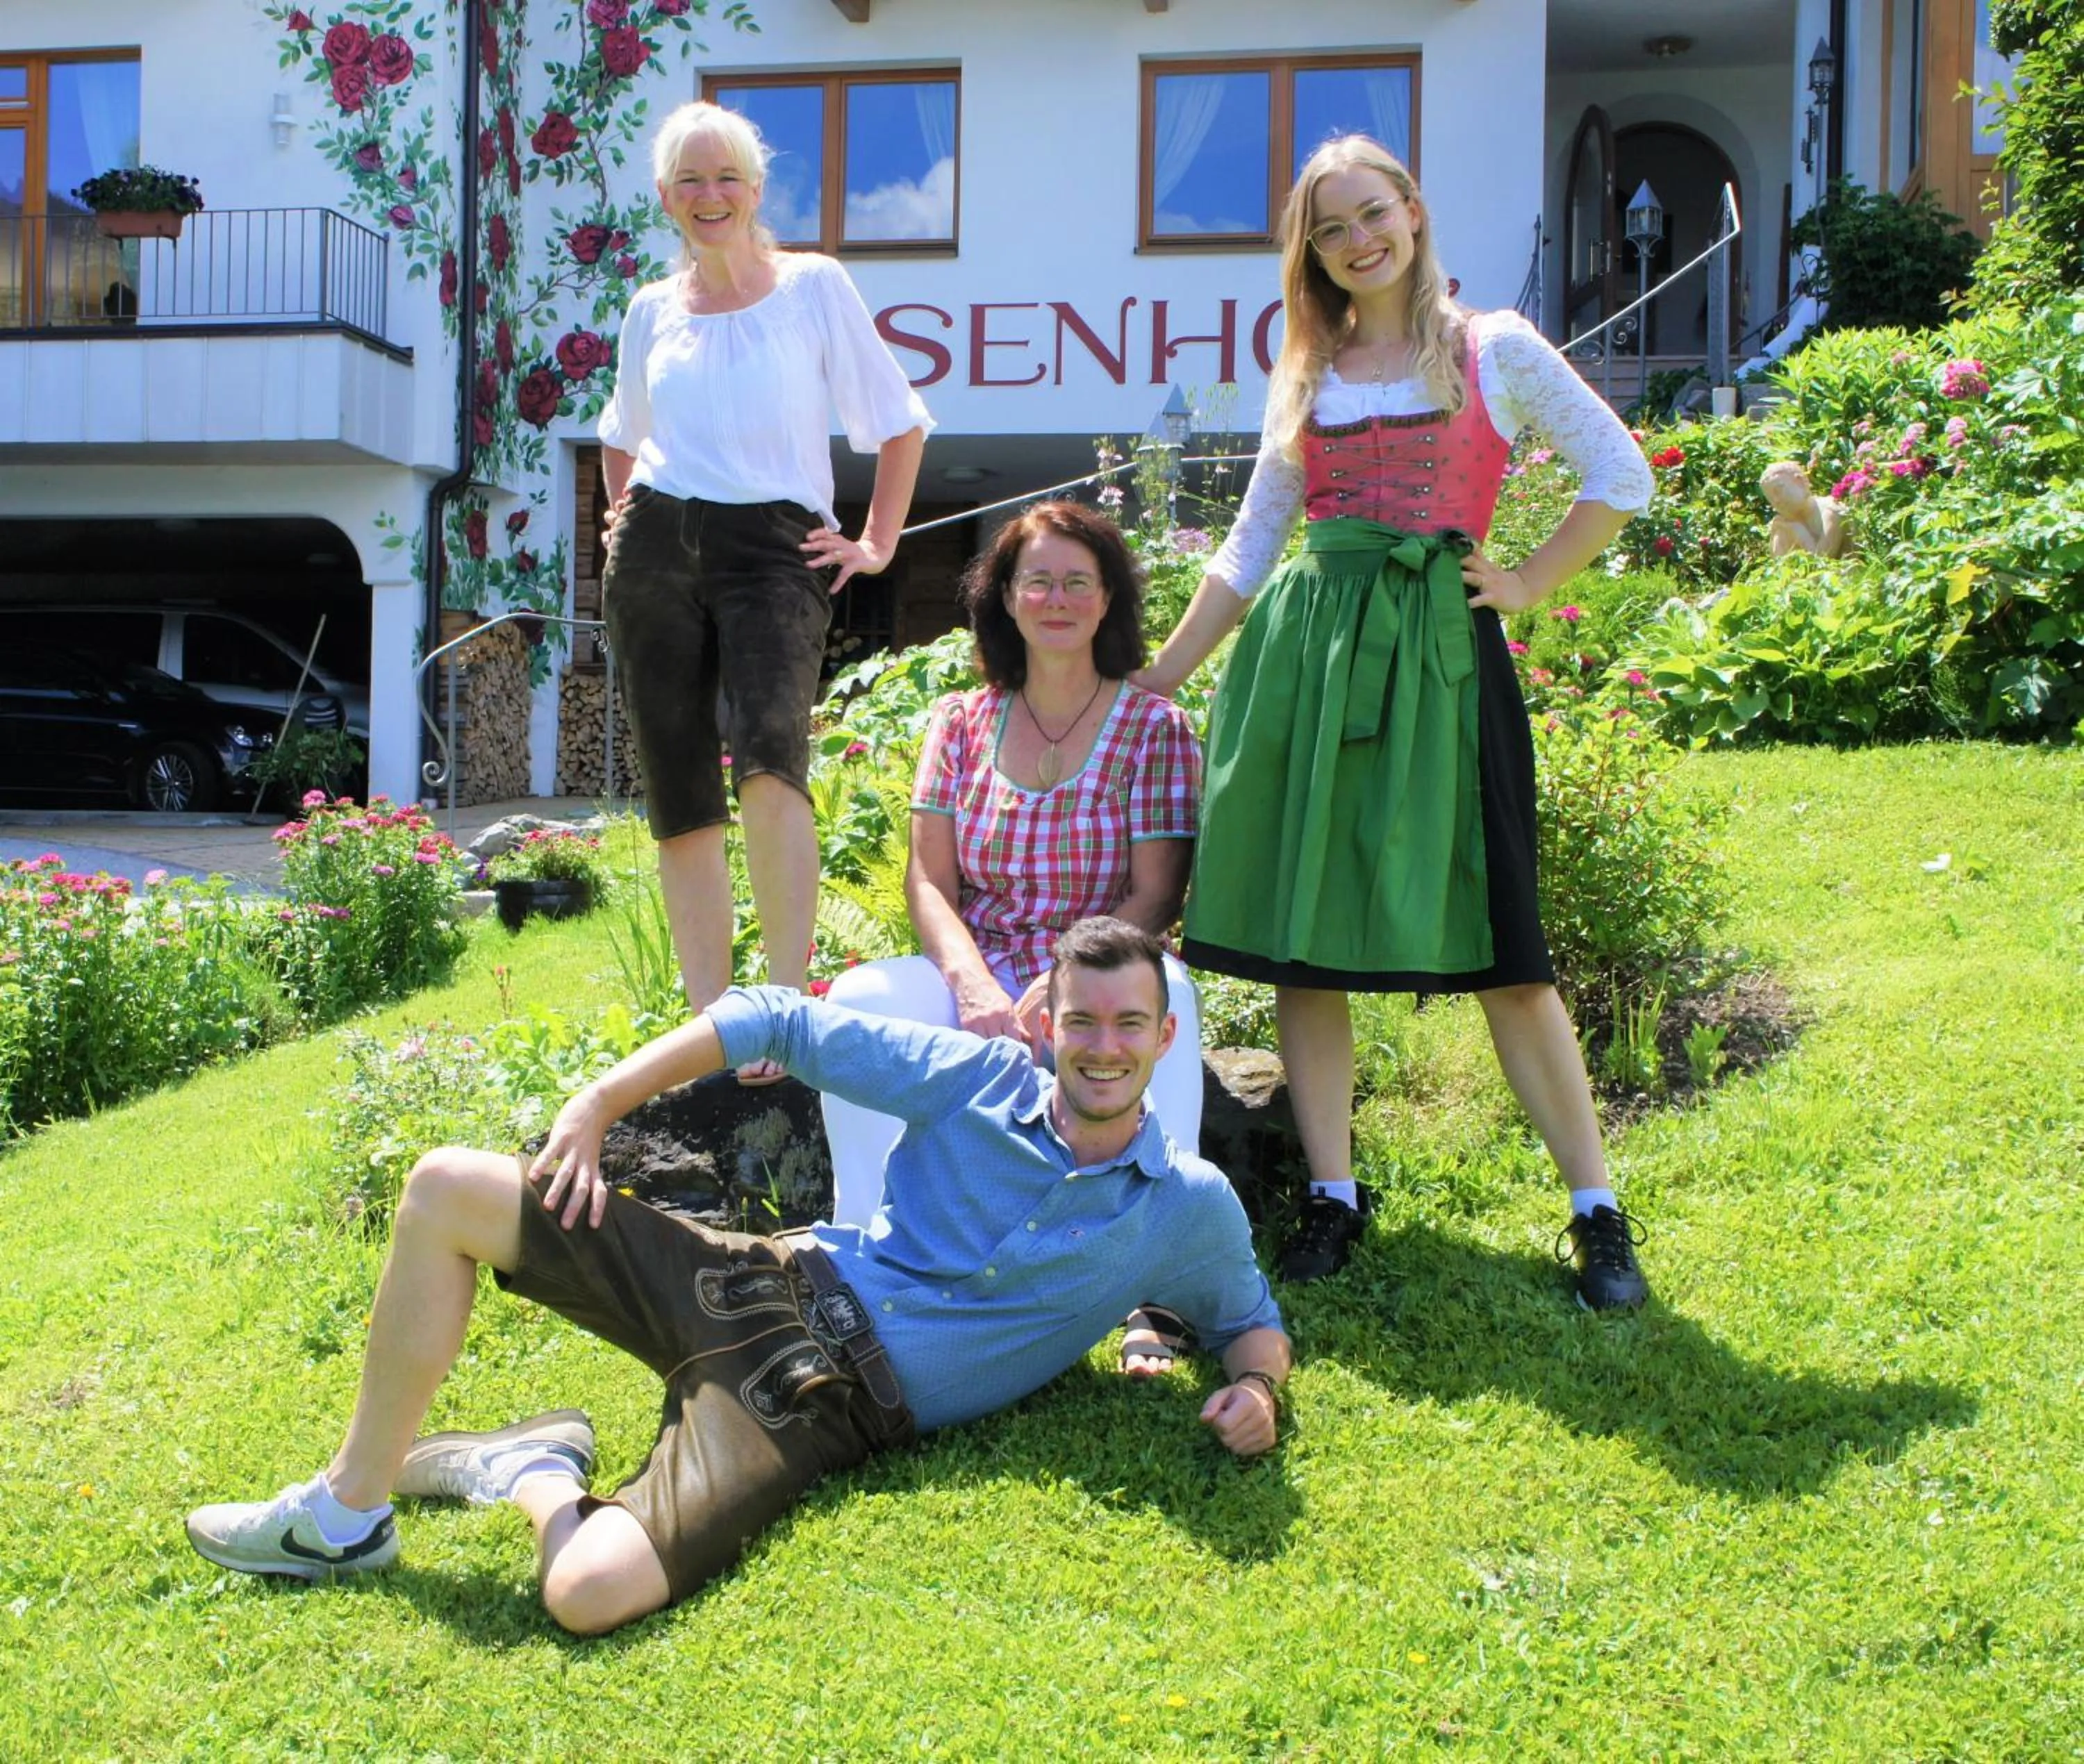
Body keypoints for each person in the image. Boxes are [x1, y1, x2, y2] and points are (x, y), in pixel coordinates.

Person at [184, 918, 1289, 1635]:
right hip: (760, 1282)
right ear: (1048, 1024)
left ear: (1165, 1033)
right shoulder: (977, 1079)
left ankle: (530, 1473)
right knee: (443, 1188)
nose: (1102, 1046)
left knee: (586, 1595)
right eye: (1082, 1021)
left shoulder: (1182, 1203)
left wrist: (1259, 1392)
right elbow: (776, 1017)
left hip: (816, 1410)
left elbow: (1251, 1321)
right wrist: (598, 1104)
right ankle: (347, 1513)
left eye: (1129, 1024)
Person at [1136, 135, 1657, 1309]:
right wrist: (1159, 676)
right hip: (1309, 663)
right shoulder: (1306, 365)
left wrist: (1522, 582)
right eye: (1331, 228)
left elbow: (1619, 474)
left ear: (1413, 212)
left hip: (1440, 661)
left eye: (1373, 214)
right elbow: (1253, 543)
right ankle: (1334, 1193)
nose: (1357, 240)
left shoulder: (1497, 348)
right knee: (1302, 947)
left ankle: (1597, 1209)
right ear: (1311, 250)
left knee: (1506, 949)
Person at [597, 99, 932, 1080]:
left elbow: (900, 422)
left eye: (727, 177)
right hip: (659, 544)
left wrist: (875, 543)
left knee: (773, 765)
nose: (711, 196)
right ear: (666, 198)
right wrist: (622, 520)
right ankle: (710, 1030)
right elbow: (623, 432)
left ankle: (782, 1009)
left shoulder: (814, 287)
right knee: (679, 786)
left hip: (774, 549)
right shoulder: (651, 309)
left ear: (756, 188)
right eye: (690, 181)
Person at [821, 502, 1205, 1229]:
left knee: (1173, 992)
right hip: (981, 971)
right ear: (1005, 597)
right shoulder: (961, 721)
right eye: (1037, 581)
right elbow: (930, 879)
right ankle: (865, 1246)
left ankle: (1160, 1262)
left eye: (1077, 582)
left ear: (1109, 598)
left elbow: (1156, 894)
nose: (1056, 599)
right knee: (858, 1003)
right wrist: (971, 985)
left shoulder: (1154, 725)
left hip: (1100, 967)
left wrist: (1063, 983)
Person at [1760, 460, 1851, 559]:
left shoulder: (1831, 510)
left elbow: (1823, 562)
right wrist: (1776, 536)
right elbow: (1780, 568)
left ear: (1800, 482)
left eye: (1779, 491)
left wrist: (1801, 535)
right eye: (1770, 498)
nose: (1776, 501)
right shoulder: (1785, 524)